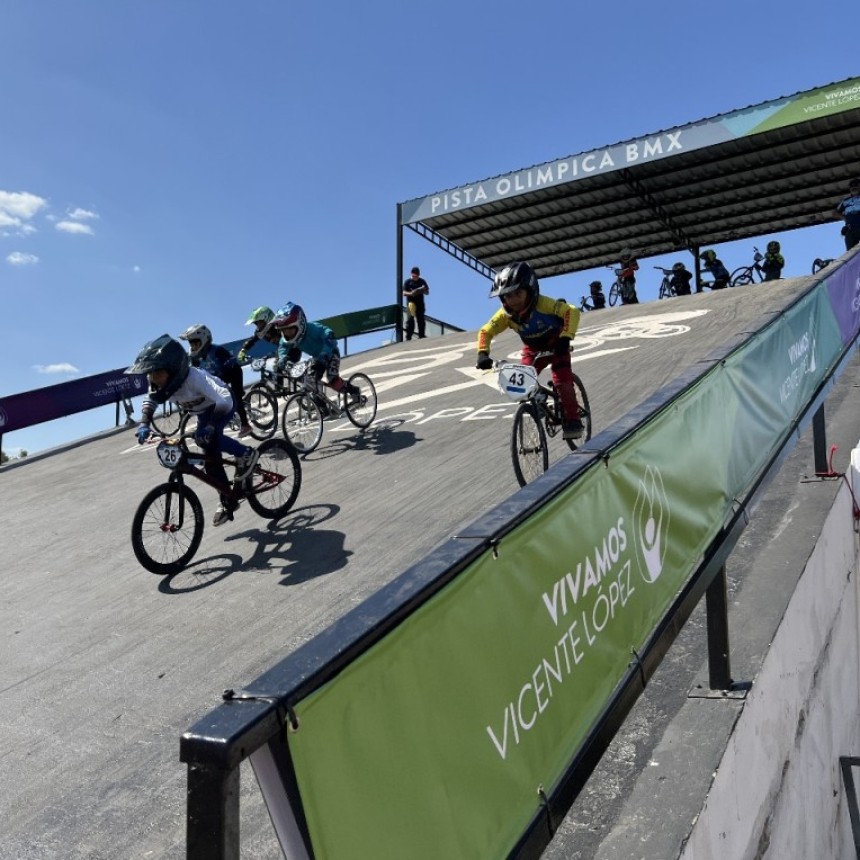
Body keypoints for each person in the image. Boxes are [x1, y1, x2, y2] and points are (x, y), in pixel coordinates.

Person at [127, 334, 259, 527]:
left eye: (157, 373)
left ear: (173, 370)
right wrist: (144, 423)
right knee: (210, 462)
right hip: (202, 412)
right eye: (150, 374)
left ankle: (246, 454)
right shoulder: (159, 383)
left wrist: (211, 426)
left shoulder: (195, 379)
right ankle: (227, 498)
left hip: (222, 404)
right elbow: (151, 400)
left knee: (209, 439)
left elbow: (224, 399)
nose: (153, 379)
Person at [475, 261, 584, 440]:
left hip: (557, 343)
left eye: (518, 293)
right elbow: (486, 331)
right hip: (532, 348)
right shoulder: (505, 315)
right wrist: (482, 353)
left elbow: (572, 311)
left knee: (562, 380)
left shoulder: (542, 303)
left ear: (530, 289)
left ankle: (573, 419)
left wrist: (566, 337)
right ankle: (541, 405)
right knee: (522, 384)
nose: (513, 300)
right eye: (507, 296)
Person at [268, 302, 359, 399]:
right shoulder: (286, 339)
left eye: (290, 329)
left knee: (333, 381)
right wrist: (282, 357)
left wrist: (327, 342)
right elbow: (283, 346)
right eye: (283, 330)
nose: (287, 334)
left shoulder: (312, 328)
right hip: (316, 358)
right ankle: (324, 410)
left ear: (300, 324)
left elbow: (327, 332)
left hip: (331, 354)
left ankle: (354, 391)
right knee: (311, 383)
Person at [178, 323, 250, 437]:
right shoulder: (194, 356)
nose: (193, 346)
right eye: (191, 344)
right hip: (218, 376)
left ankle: (245, 425)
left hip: (232, 372)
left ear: (204, 340)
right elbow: (192, 372)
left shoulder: (217, 350)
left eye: (195, 343)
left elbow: (224, 371)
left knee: (235, 397)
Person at [403, 266, 430, 340]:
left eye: (416, 276)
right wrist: (411, 293)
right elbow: (404, 292)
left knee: (421, 320)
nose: (415, 277)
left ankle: (421, 335)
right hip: (411, 303)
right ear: (411, 274)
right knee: (410, 320)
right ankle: (408, 337)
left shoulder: (422, 281)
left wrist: (421, 290)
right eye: (414, 276)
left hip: (420, 303)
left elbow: (427, 292)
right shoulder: (408, 282)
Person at [835, 178, 860, 251]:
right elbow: (835, 213)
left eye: (856, 185)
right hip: (850, 229)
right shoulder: (845, 201)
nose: (853, 187)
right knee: (850, 252)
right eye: (851, 186)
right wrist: (845, 219)